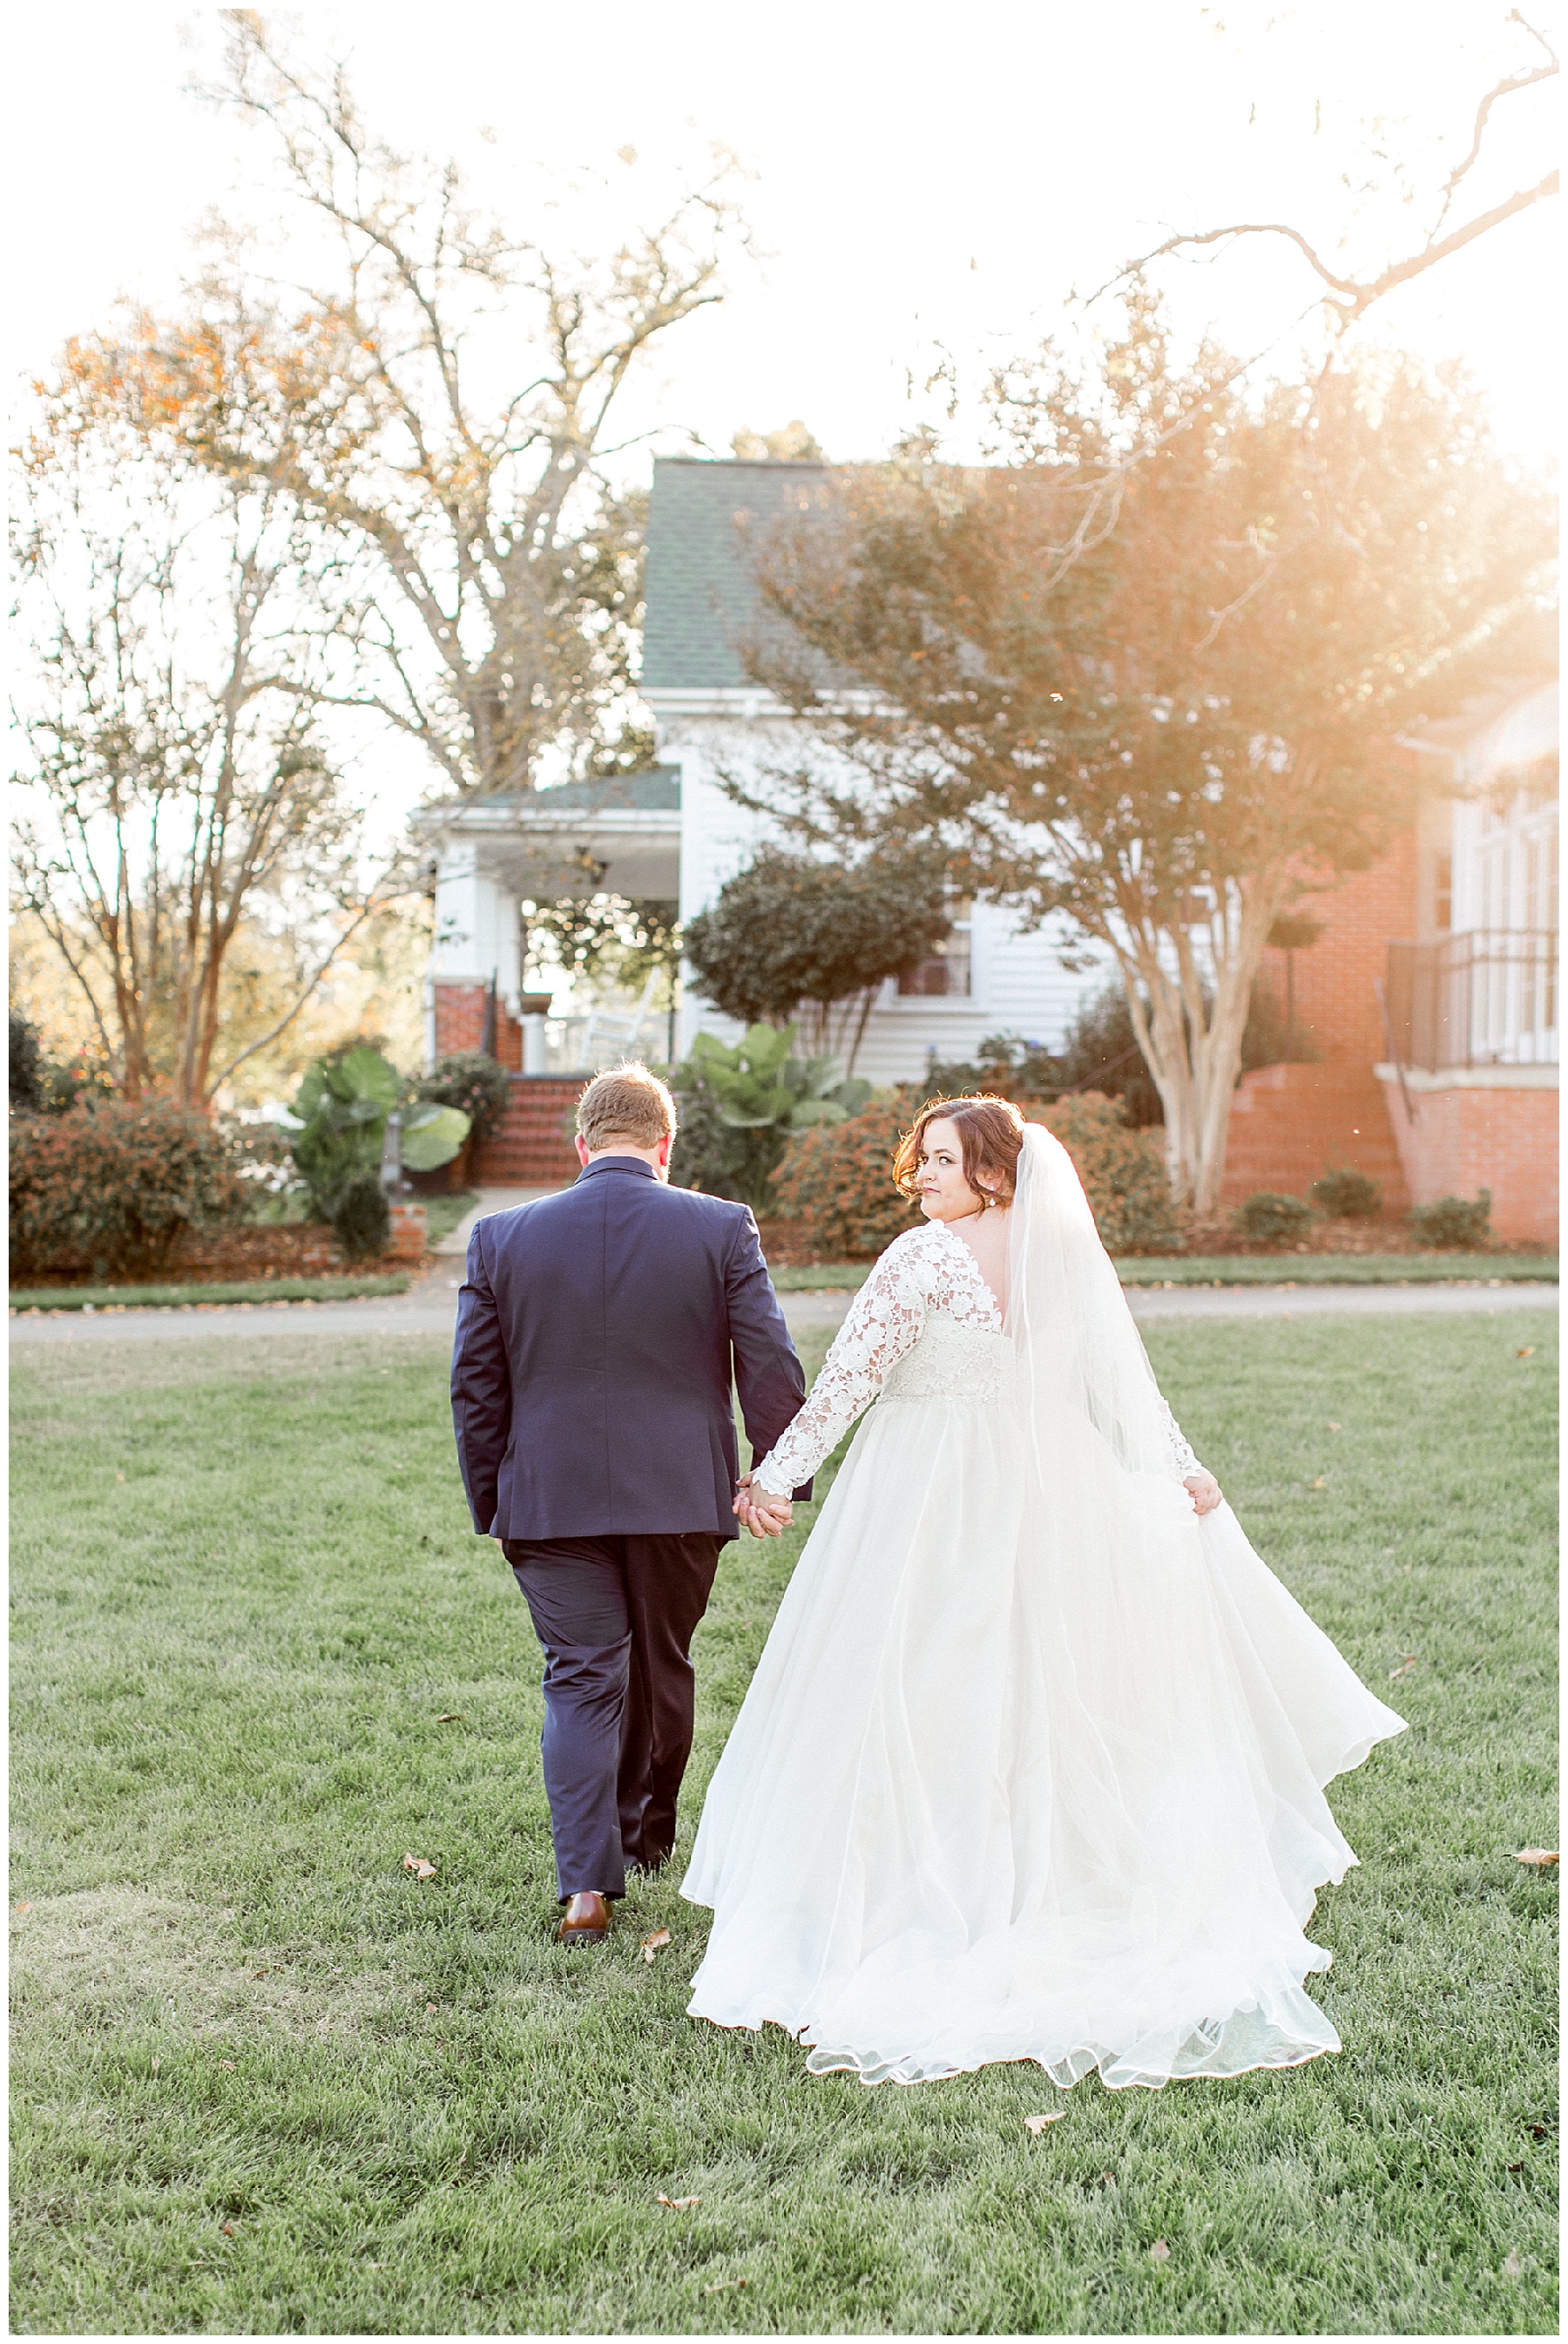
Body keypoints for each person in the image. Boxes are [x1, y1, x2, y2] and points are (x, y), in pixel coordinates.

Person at [684, 1095, 1406, 2089]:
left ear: (993, 1171)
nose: (922, 1174)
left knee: (922, 1672)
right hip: (1040, 1485)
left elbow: (850, 1378)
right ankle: (1018, 1865)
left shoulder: (921, 1257)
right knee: (1027, 1667)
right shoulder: (1057, 1256)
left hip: (931, 1493)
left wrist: (774, 1477)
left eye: (943, 1159)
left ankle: (925, 1885)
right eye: (922, 1158)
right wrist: (1175, 1462)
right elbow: (1124, 1386)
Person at [450, 1062, 810, 1948]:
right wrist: (779, 1473)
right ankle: (646, 1838)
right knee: (663, 1659)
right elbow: (768, 1359)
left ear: (580, 1144)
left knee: (581, 1677)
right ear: (665, 1143)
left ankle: (586, 1886)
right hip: (680, 1494)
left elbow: (475, 1387)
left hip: (548, 1498)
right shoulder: (721, 1225)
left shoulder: (500, 1237)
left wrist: (494, 1501)